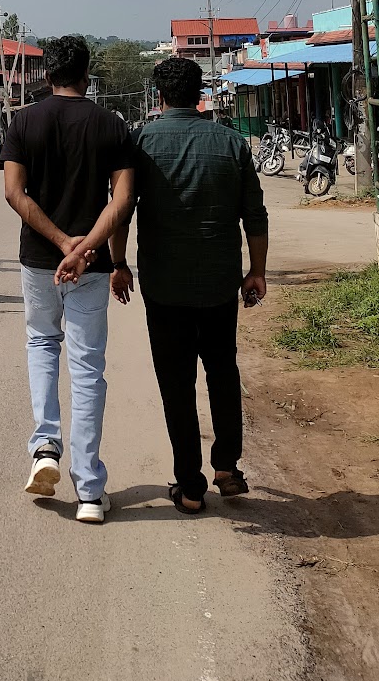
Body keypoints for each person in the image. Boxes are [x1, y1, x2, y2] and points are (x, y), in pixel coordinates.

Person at [108, 55, 268, 513]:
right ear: (201, 93)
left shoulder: (140, 143)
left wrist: (118, 263)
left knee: (175, 381)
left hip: (164, 286)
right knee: (223, 371)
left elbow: (121, 211)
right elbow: (254, 215)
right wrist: (256, 271)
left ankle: (190, 485)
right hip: (219, 284)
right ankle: (228, 467)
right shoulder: (232, 143)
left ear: (159, 96)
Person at [2, 35, 136, 525]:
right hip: (93, 265)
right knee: (87, 367)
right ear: (86, 73)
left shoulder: (24, 121)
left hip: (40, 259)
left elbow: (14, 193)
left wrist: (61, 244)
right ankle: (90, 490)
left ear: (45, 74)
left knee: (41, 344)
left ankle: (44, 449)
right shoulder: (111, 125)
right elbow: (122, 202)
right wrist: (85, 248)